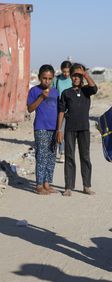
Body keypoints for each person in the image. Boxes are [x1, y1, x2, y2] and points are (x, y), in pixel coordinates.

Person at [56, 63, 97, 197]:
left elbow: (94, 88)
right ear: (71, 77)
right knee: (69, 156)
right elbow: (61, 112)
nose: (76, 78)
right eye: (74, 75)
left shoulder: (86, 91)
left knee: (85, 157)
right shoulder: (66, 93)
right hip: (70, 129)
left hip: (84, 128)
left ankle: (86, 186)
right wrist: (59, 130)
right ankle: (68, 187)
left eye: (78, 76)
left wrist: (84, 73)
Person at [27, 64, 59, 195]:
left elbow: (59, 110)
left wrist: (59, 129)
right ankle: (39, 185)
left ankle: (47, 183)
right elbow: (30, 109)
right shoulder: (34, 91)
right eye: (44, 78)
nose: (47, 81)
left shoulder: (56, 92)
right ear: (39, 77)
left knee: (51, 156)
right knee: (41, 156)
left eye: (50, 78)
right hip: (41, 128)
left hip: (54, 128)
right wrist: (41, 97)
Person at [51, 60, 73, 163]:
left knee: (68, 132)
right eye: (64, 71)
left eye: (68, 72)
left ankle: (65, 152)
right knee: (60, 130)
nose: (66, 74)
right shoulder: (57, 79)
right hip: (59, 108)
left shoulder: (73, 79)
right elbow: (52, 92)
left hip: (71, 109)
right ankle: (61, 152)